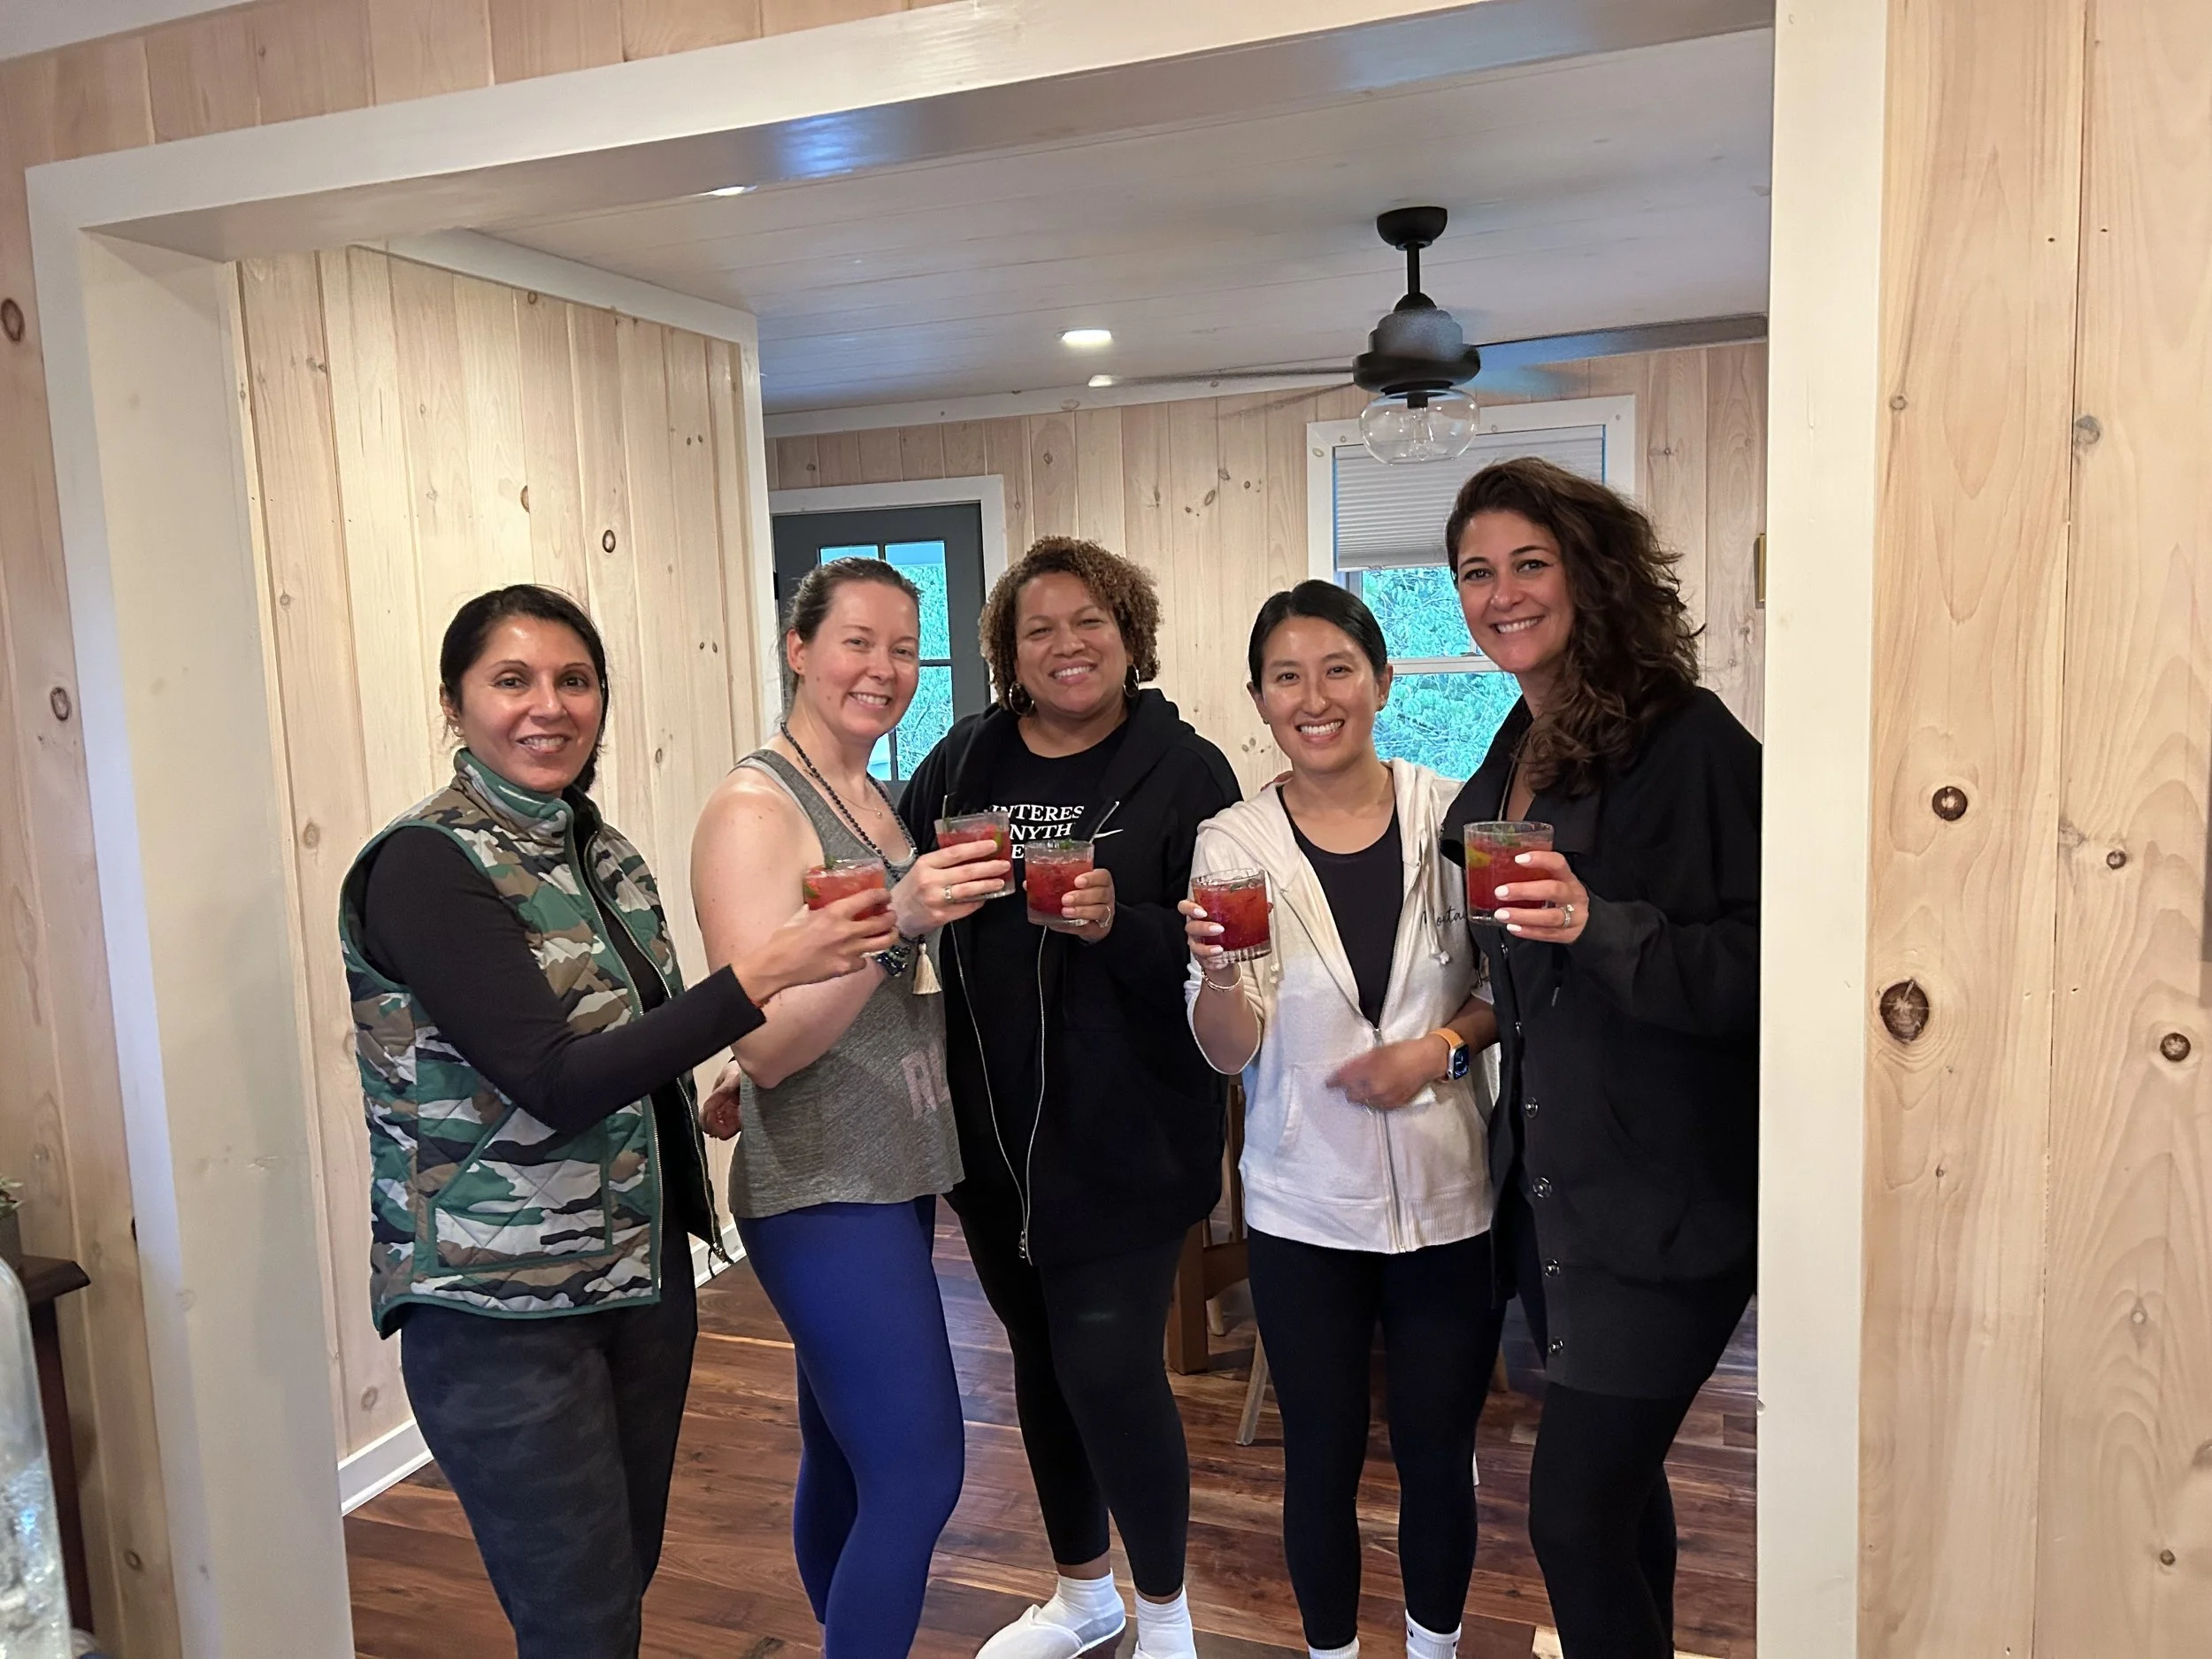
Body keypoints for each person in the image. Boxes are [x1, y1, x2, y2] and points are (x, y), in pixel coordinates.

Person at [339, 584, 898, 1659]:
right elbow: (552, 1081)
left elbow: (625, 1041)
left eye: (575, 680)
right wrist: (765, 972)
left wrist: (699, 1091)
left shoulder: (602, 854)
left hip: (636, 1284)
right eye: (512, 680)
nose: (548, 706)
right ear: (454, 703)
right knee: (578, 1624)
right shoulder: (424, 866)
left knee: (621, 1582)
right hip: (499, 1311)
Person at [895, 537, 1240, 1659]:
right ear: (1008, 653)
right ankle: (1082, 1595)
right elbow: (893, 892)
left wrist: (1117, 926)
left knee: (1110, 1371)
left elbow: (1226, 952)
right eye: (1037, 628)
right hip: (992, 1136)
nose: (1066, 645)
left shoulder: (1185, 772)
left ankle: (1169, 1619)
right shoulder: (961, 762)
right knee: (1039, 1365)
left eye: (1089, 620)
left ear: (1130, 635)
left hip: (1129, 1138)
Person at [1438, 457, 1759, 1658]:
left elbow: (1775, 963)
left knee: (1571, 1521)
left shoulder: (1689, 740)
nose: (1501, 593)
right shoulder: (1519, 740)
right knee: (1619, 1501)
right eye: (1476, 571)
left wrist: (1597, 922)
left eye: (1531, 562)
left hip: (1666, 1198)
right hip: (1554, 1187)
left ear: (1590, 571)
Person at [689, 557, 1010, 1659]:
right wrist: (902, 922)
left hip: (893, 1163)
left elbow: (806, 1012)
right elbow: (768, 1043)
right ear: (798, 649)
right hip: (824, 1184)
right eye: (856, 642)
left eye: (903, 649)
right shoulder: (754, 809)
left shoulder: (869, 796)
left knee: (846, 1459)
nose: (883, 669)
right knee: (921, 1477)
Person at [1180, 581, 1504, 1659]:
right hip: (1302, 1205)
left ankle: (1433, 1648)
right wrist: (1214, 976)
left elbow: (1503, 990)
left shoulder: (1451, 816)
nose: (1313, 698)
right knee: (1318, 1460)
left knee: (1437, 1455)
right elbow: (1228, 1048)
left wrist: (1438, 1047)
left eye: (1336, 671)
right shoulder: (1231, 843)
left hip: (1448, 1201)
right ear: (1259, 700)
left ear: (1381, 682)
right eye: (1286, 678)